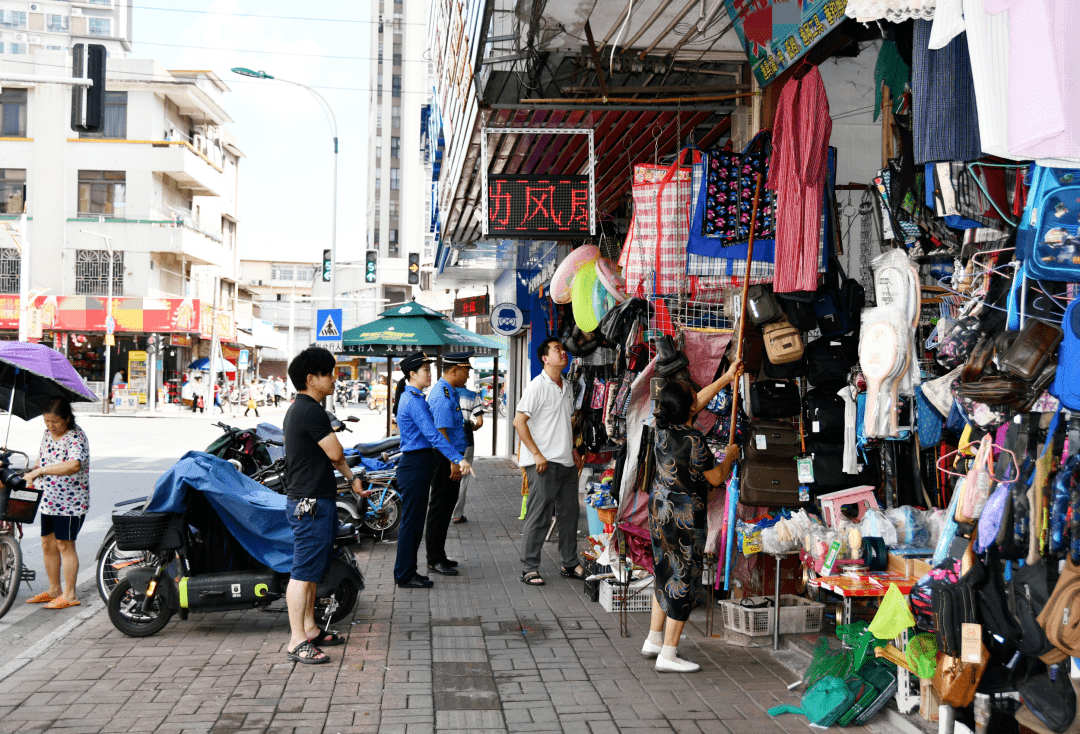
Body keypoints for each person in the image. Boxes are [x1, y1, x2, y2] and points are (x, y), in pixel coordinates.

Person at [643, 363, 741, 673]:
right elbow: (714, 478)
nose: (696, 399)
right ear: (687, 410)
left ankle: (654, 639)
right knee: (683, 578)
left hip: (659, 511)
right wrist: (730, 457)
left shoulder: (661, 427)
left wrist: (726, 377)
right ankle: (669, 654)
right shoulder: (694, 441)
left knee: (664, 570)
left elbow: (695, 402)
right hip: (684, 521)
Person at [282, 347, 371, 664]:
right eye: (329, 373)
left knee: (312, 572)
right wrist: (350, 474)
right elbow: (335, 452)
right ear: (311, 378)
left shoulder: (303, 409)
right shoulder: (311, 411)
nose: (334, 379)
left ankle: (309, 629)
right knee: (302, 573)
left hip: (314, 500)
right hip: (310, 504)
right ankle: (296, 641)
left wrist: (353, 481)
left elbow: (336, 459)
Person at [393, 352, 471, 589]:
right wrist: (458, 458)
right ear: (412, 374)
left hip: (419, 464)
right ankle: (405, 574)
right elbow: (434, 435)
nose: (429, 373)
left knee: (414, 523)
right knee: (411, 524)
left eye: (429, 369)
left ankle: (407, 572)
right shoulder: (413, 401)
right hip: (415, 464)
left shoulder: (415, 397)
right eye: (425, 370)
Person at [514, 337, 583, 587]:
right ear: (545, 358)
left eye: (563, 349)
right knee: (540, 515)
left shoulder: (566, 385)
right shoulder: (537, 386)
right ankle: (529, 567)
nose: (563, 352)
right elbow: (518, 422)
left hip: (565, 462)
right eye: (557, 350)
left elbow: (566, 423)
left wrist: (574, 450)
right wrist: (536, 454)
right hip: (542, 463)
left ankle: (569, 562)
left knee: (569, 515)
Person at [23, 397, 90, 609]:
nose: (51, 426)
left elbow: (73, 465)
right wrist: (32, 473)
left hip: (70, 501)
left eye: (56, 422)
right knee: (48, 544)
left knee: (65, 545)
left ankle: (70, 594)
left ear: (67, 419)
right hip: (49, 499)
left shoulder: (76, 437)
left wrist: (42, 471)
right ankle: (54, 589)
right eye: (47, 422)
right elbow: (41, 460)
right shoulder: (46, 435)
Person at [425, 351, 474, 576]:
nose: (467, 375)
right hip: (445, 458)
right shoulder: (443, 395)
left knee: (446, 507)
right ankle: (434, 559)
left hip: (450, 456)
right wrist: (454, 461)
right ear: (454, 370)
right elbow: (441, 431)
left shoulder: (450, 391)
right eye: (466, 370)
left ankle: (440, 555)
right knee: (440, 507)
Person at [451, 382, 484, 524]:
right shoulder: (472, 396)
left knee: (448, 473)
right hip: (466, 436)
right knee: (464, 477)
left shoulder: (447, 393)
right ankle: (457, 514)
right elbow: (480, 421)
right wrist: (473, 427)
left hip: (450, 435)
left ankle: (445, 510)